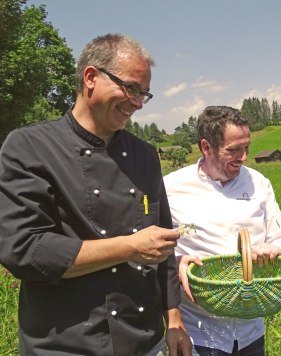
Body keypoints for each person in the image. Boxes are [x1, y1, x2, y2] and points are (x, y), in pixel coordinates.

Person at [0, 34, 192, 356]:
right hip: (66, 344)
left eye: (144, 94)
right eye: (131, 88)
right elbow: (25, 250)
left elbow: (164, 247)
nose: (138, 103)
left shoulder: (145, 155)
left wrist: (174, 319)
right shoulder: (30, 147)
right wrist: (129, 247)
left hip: (146, 340)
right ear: (91, 78)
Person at [163, 106, 281, 355]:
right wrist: (176, 262)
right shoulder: (171, 188)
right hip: (198, 334)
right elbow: (149, 251)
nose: (243, 157)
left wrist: (276, 250)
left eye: (246, 148)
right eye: (233, 150)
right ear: (206, 147)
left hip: (250, 332)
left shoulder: (258, 183)